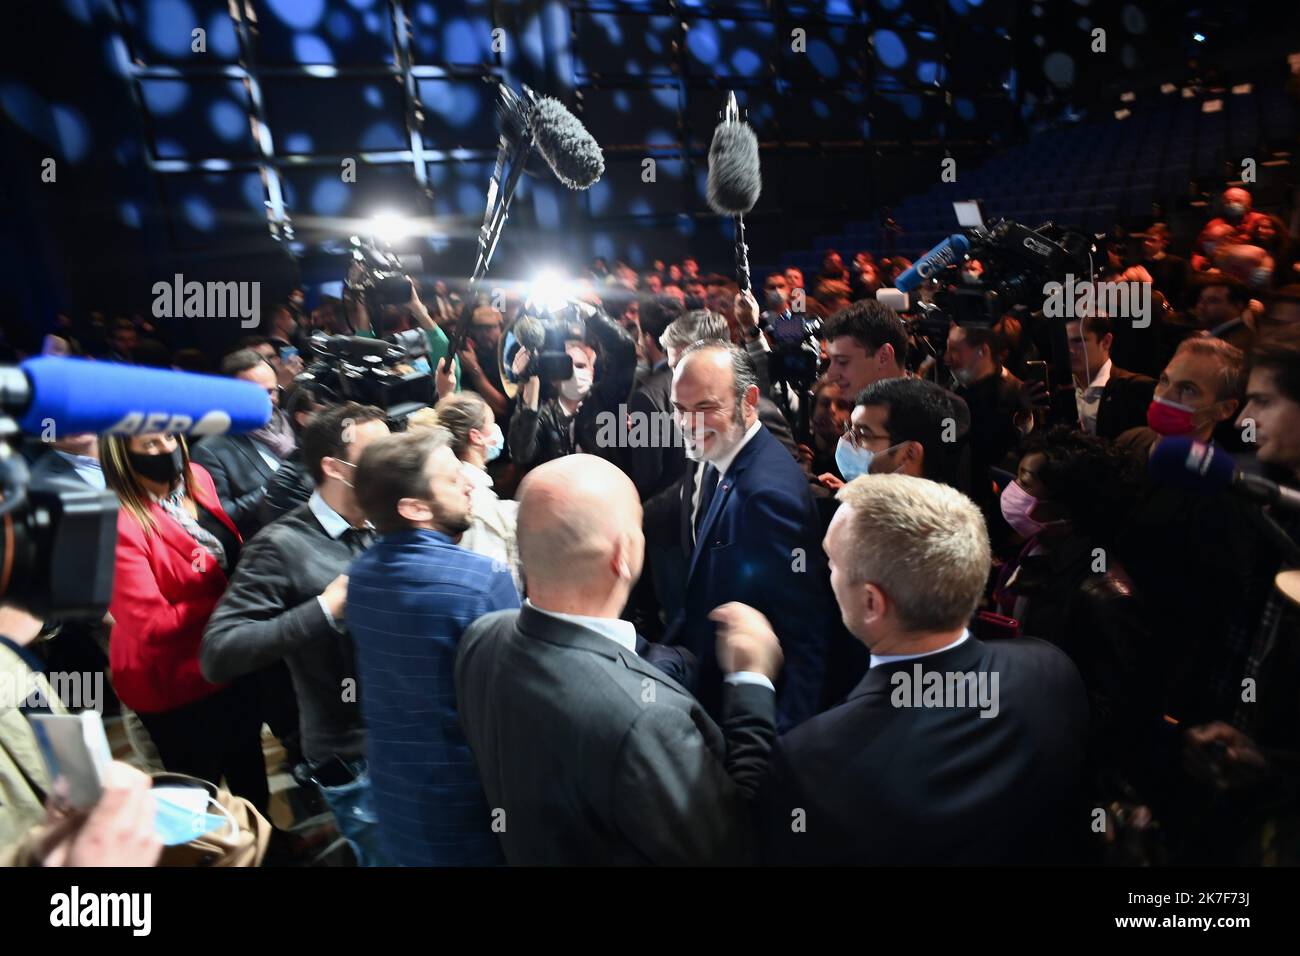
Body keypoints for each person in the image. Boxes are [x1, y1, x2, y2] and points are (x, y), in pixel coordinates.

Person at [455, 455, 780, 865]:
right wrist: (751, 681)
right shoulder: (646, 719)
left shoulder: (483, 636)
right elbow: (730, 844)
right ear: (623, 554)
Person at [756, 474, 1089, 864]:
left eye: (831, 561)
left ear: (871, 603)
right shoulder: (1052, 671)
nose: (825, 569)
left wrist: (751, 682)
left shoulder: (810, 760)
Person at [201, 403, 391, 864]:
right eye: (380, 454)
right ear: (335, 467)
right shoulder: (280, 545)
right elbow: (219, 652)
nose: (394, 464)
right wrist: (325, 608)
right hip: (354, 758)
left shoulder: (386, 523)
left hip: (409, 737)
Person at [347, 428, 519, 865]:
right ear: (413, 507)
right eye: (450, 477)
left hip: (394, 793)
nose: (467, 483)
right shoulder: (480, 583)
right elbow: (515, 707)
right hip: (470, 807)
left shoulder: (361, 574)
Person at [665, 342, 836, 731]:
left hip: (746, 715)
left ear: (749, 400)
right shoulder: (720, 458)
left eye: (705, 408)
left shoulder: (767, 496)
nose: (688, 423)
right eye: (679, 408)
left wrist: (779, 754)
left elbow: (805, 635)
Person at [99, 432, 268, 811]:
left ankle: (265, 843)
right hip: (174, 681)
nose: (167, 450)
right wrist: (235, 600)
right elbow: (151, 624)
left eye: (169, 437)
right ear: (123, 456)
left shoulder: (197, 478)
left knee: (248, 764)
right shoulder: (113, 523)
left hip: (228, 656)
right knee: (198, 791)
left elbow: (223, 550)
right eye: (150, 445)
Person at [411, 393, 522, 594]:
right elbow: (490, 581)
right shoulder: (472, 502)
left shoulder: (457, 484)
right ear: (476, 436)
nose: (497, 430)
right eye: (492, 423)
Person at [191, 349, 295, 538]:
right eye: (254, 394)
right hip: (268, 550)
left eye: (271, 391)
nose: (266, 401)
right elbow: (221, 518)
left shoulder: (295, 424)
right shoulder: (208, 450)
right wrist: (272, 487)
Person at [1064, 315, 1155, 439]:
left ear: (1106, 342)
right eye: (1064, 342)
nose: (1069, 350)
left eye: (1078, 341)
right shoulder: (1057, 389)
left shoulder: (1138, 388)